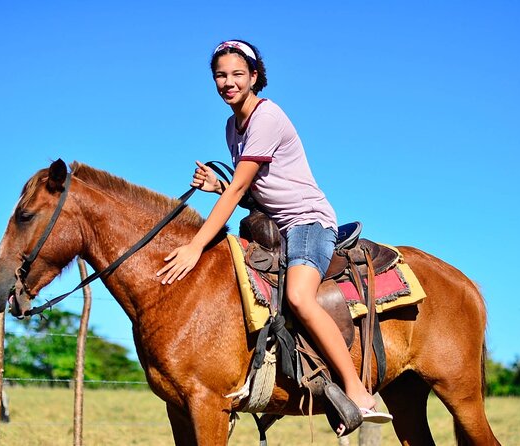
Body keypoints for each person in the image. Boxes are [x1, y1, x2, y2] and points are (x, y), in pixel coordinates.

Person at [155, 39, 391, 429]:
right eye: (220, 75)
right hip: (275, 225)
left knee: (298, 296)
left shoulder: (267, 117)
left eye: (236, 74)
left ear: (254, 77)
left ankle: (357, 391)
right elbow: (252, 189)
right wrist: (218, 186)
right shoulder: (232, 126)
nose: (227, 82)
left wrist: (195, 246)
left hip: (308, 222)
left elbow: (238, 191)